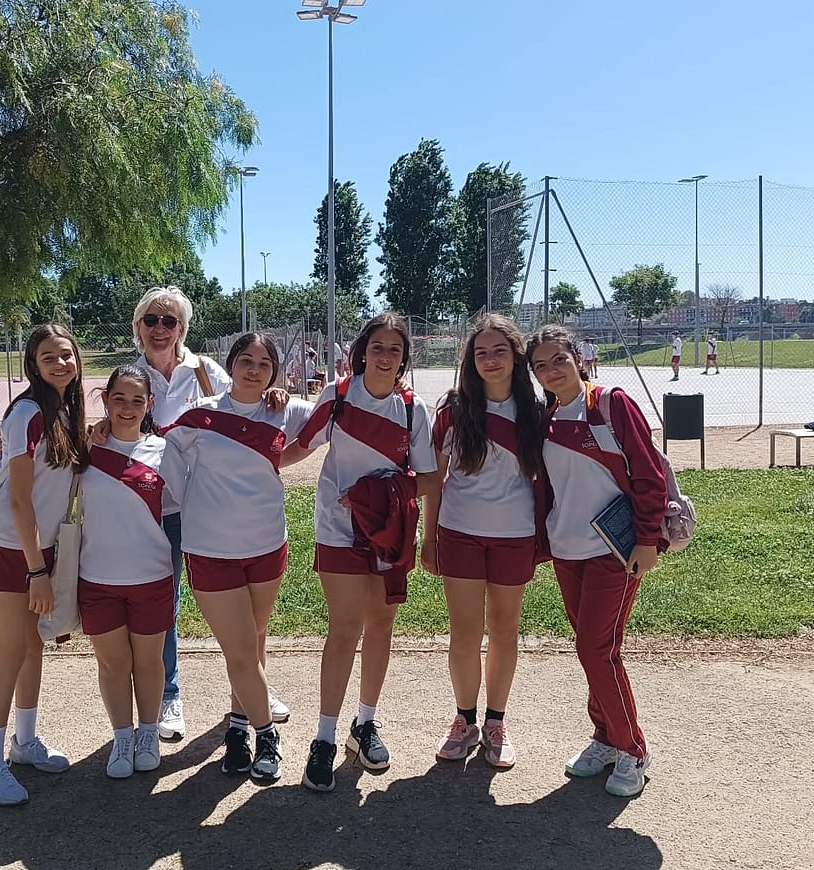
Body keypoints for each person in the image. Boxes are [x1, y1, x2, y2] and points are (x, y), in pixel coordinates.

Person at [285, 311, 439, 793]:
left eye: (395, 349)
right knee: (345, 628)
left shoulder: (413, 410)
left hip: (389, 532)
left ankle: (365, 723)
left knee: (381, 626)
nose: (385, 357)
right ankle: (324, 737)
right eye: (377, 348)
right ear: (361, 353)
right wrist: (252, 465)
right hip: (338, 530)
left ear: (404, 358)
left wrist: (379, 493)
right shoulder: (338, 396)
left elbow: (430, 478)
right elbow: (300, 446)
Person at [129, 286, 291, 741]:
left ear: (182, 328)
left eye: (170, 321)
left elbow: (244, 405)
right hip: (153, 507)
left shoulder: (205, 373)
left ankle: (252, 692)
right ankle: (169, 695)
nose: (160, 329)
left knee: (251, 617)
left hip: (207, 512)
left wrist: (274, 394)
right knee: (164, 603)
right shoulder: (132, 377)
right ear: (139, 326)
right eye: (151, 320)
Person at [158, 333, 315, 781]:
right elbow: (162, 451)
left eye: (264, 364)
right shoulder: (201, 415)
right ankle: (267, 735)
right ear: (231, 365)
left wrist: (284, 458)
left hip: (267, 545)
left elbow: (330, 418)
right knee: (243, 650)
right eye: (246, 360)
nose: (254, 369)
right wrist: (189, 498)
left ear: (274, 373)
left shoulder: (285, 410)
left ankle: (238, 728)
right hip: (211, 550)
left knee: (252, 642)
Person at [526, 325, 664, 797]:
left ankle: (633, 748)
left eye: (558, 360)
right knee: (595, 650)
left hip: (614, 550)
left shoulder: (610, 404)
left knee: (595, 649)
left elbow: (648, 473)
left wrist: (647, 540)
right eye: (540, 366)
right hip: (568, 550)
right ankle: (605, 737)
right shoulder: (546, 418)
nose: (551, 371)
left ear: (578, 358)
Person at [0, 324, 87, 806]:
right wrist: (37, 572)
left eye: (66, 354)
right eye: (48, 357)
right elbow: (19, 500)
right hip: (6, 543)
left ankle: (24, 742)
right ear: (33, 366)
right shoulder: (27, 413)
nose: (60, 363)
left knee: (33, 645)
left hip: (39, 544)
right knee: (12, 649)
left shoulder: (66, 411)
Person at [420, 315, 545, 768]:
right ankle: (464, 719)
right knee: (465, 633)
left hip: (515, 535)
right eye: (481, 353)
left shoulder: (536, 409)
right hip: (460, 534)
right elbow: (433, 479)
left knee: (505, 630)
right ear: (470, 361)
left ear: (516, 356)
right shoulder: (454, 408)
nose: (490, 360)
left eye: (499, 351)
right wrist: (429, 537)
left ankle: (496, 722)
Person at [81, 364, 175, 778]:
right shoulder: (84, 450)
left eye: (137, 400)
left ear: (149, 404)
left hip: (151, 576)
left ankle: (148, 733)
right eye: (118, 398)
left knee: (149, 663)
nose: (127, 408)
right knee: (113, 664)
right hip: (97, 579)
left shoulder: (165, 451)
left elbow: (184, 504)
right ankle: (122, 736)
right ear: (105, 400)